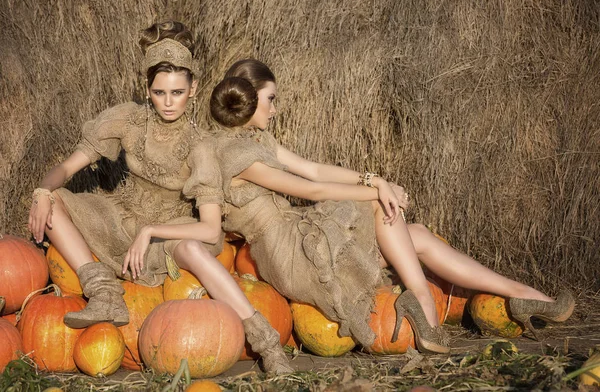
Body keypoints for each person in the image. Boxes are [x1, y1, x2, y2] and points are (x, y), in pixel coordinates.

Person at [202, 59, 575, 354]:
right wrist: (378, 192)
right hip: (289, 255)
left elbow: (314, 169)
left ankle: (521, 294)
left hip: (299, 238)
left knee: (420, 237)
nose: (275, 108)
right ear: (246, 99)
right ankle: (426, 307)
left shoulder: (258, 140)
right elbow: (309, 189)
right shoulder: (235, 154)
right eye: (270, 99)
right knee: (384, 211)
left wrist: (374, 180)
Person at [27, 23, 292, 374]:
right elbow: (67, 167)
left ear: (193, 89)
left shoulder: (202, 148)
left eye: (178, 92)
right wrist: (43, 192)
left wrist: (151, 230)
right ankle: (103, 292)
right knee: (57, 199)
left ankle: (266, 342)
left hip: (171, 231)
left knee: (194, 250)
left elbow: (212, 230)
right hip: (121, 214)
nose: (168, 102)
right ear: (147, 89)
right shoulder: (129, 119)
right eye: (159, 92)